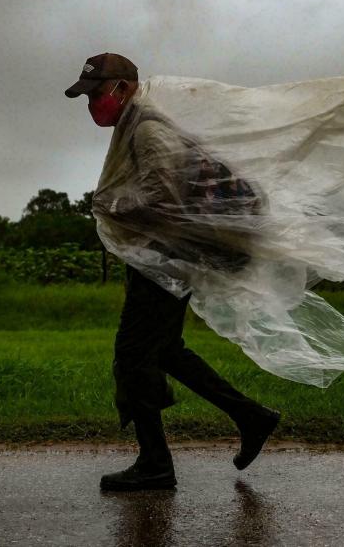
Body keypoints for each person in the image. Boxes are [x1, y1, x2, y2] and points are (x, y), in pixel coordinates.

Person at [65, 52, 281, 492]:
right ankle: (251, 417)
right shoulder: (139, 125)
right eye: (86, 98)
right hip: (165, 259)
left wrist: (111, 207)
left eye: (96, 95)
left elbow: (162, 198)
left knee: (133, 354)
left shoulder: (146, 130)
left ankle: (156, 464)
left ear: (122, 88)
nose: (92, 106)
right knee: (164, 351)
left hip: (165, 261)